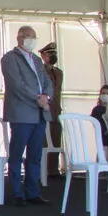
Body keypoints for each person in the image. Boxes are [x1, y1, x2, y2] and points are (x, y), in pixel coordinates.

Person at [1, 25, 54, 207]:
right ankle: (17, 193)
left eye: (34, 37)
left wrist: (46, 96)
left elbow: (47, 82)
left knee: (35, 155)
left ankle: (33, 192)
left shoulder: (37, 60)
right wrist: (37, 98)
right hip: (22, 113)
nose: (32, 40)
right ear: (19, 38)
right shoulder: (10, 58)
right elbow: (16, 84)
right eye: (28, 36)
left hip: (40, 114)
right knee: (17, 154)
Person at [39, 42, 64, 179]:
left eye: (54, 54)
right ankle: (42, 170)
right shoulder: (40, 72)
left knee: (56, 140)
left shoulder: (59, 73)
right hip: (44, 111)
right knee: (43, 142)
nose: (53, 57)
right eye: (50, 54)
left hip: (56, 112)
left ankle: (53, 171)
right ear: (43, 56)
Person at [90, 84, 108, 155]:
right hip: (103, 143)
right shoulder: (97, 109)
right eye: (103, 93)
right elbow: (95, 124)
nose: (105, 95)